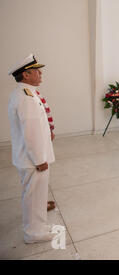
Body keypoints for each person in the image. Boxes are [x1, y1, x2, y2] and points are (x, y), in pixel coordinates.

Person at [8, 53, 60, 243]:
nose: (40, 73)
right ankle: (34, 233)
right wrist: (40, 159)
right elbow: (30, 131)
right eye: (36, 71)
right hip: (33, 159)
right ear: (26, 75)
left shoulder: (25, 93)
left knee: (35, 196)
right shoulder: (26, 97)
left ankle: (37, 226)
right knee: (34, 196)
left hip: (29, 157)